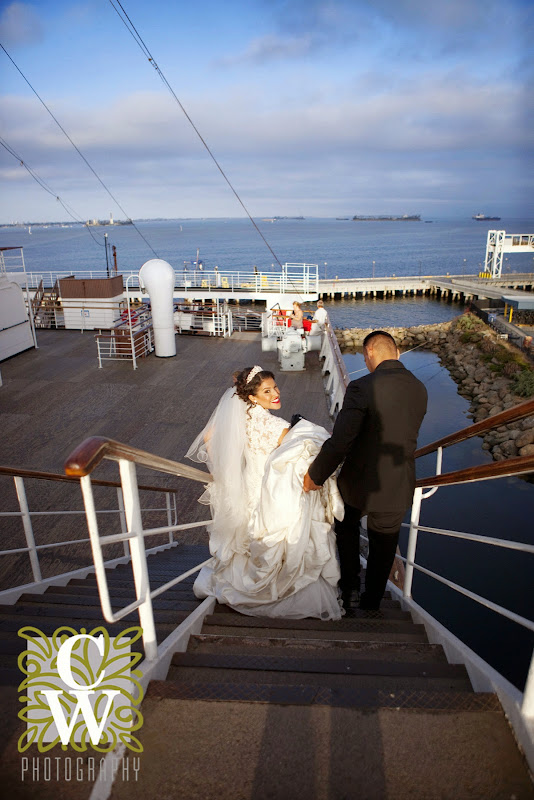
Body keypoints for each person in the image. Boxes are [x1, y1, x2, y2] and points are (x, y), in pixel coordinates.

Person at [186, 366, 343, 619]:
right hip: (270, 492)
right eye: (267, 391)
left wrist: (223, 473)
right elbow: (300, 451)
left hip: (248, 486)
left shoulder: (241, 415)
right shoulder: (274, 425)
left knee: (248, 541)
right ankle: (275, 593)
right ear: (252, 397)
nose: (276, 394)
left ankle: (240, 581)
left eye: (275, 387)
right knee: (279, 540)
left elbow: (208, 437)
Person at [303, 331, 427, 611]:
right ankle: (372, 602)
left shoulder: (362, 387)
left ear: (370, 352)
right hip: (398, 483)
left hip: (358, 482)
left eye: (364, 356)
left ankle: (350, 592)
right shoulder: (419, 388)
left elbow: (342, 441)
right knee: (384, 548)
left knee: (346, 533)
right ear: (394, 351)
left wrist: (316, 475)